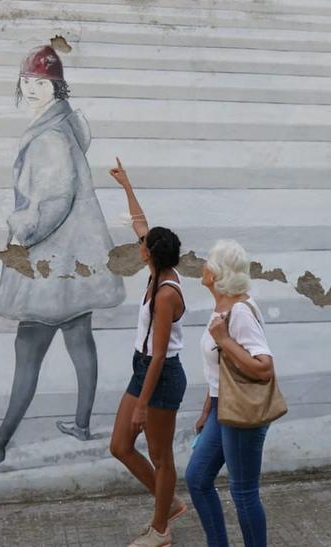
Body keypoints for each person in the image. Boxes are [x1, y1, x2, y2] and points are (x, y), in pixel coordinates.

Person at [0, 46, 126, 476]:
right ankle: (79, 424)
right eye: (26, 81)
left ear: (57, 85)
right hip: (77, 262)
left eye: (41, 83)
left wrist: (20, 226)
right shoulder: (69, 124)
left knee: (28, 351)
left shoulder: (50, 137)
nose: (31, 89)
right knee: (79, 337)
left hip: (49, 265)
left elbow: (54, 200)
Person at [108, 159, 188, 547]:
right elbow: (141, 223)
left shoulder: (167, 294)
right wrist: (127, 185)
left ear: (150, 254)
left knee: (162, 457)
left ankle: (161, 530)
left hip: (161, 376)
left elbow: (159, 356)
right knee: (120, 446)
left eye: (143, 243)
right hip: (142, 370)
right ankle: (167, 503)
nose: (138, 242)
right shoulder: (157, 270)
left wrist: (142, 404)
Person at [186, 240, 275, 547]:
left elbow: (264, 368)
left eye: (208, 261)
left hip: (241, 413)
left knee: (243, 492)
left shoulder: (239, 312)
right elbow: (219, 370)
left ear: (217, 272)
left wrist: (223, 339)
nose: (203, 266)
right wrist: (207, 409)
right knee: (197, 480)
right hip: (220, 409)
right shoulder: (223, 306)